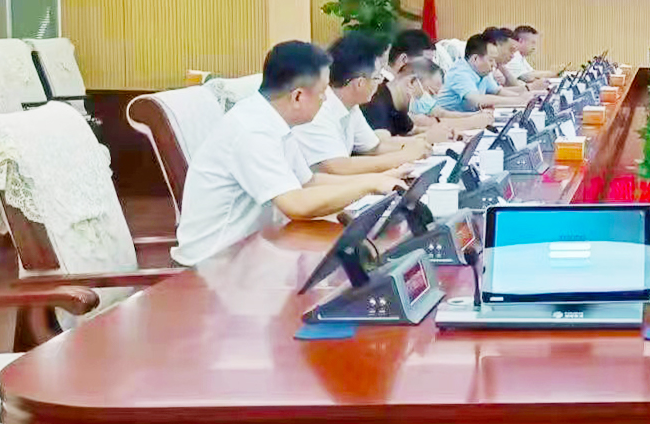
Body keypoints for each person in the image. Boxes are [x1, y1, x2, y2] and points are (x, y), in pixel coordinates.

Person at [172, 41, 404, 266]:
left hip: (254, 251)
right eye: (322, 92)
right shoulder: (252, 130)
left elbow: (309, 182)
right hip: (212, 266)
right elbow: (296, 204)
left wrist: (379, 180)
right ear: (298, 96)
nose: (325, 99)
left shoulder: (274, 120)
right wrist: (368, 185)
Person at [290, 32, 431, 176]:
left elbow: (373, 148)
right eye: (377, 77)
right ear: (360, 83)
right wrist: (402, 156)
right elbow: (337, 167)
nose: (380, 83)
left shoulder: (350, 105)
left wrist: (413, 146)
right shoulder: (318, 107)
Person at [437, 32, 528, 112]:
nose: (494, 65)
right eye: (491, 60)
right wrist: (518, 101)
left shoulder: (482, 72)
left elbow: (497, 91)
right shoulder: (459, 73)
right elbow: (477, 100)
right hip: (447, 120)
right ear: (475, 59)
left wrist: (521, 98)